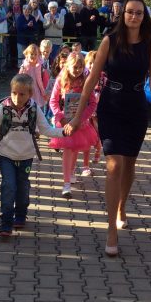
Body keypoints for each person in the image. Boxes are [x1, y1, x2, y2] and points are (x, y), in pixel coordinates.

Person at [65, 0, 151, 256]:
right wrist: (78, 116)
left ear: (144, 16)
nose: (134, 16)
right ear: (123, 14)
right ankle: (111, 229)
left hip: (136, 108)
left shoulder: (150, 44)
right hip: (110, 106)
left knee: (129, 164)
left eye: (139, 13)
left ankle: (122, 206)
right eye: (130, 12)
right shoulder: (110, 40)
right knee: (114, 165)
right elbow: (91, 79)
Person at [0, 74, 67, 236]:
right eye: (14, 93)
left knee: (22, 187)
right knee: (8, 186)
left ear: (30, 94)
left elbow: (46, 129)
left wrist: (64, 132)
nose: (17, 97)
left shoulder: (34, 109)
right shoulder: (4, 108)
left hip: (26, 155)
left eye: (22, 94)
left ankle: (20, 215)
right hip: (5, 154)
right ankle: (6, 222)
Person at [49, 53, 99, 197]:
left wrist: (81, 119)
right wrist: (60, 117)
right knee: (68, 149)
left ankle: (71, 172)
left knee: (75, 147)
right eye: (75, 67)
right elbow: (53, 101)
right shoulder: (61, 79)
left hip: (80, 122)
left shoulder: (86, 80)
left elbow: (92, 103)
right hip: (65, 121)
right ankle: (66, 184)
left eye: (80, 67)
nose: (77, 70)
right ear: (67, 65)